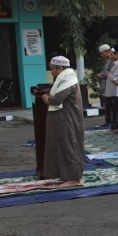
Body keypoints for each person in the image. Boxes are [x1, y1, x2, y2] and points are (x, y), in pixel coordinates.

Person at [42, 55, 85, 184]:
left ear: (60, 68)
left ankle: (73, 178)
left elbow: (56, 100)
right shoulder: (64, 78)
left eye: (52, 69)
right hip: (63, 119)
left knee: (68, 147)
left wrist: (46, 99)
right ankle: (64, 174)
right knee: (61, 147)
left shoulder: (68, 80)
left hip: (67, 120)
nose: (51, 72)